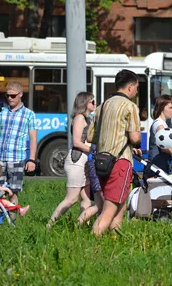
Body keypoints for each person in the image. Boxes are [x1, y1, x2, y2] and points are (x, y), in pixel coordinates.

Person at [88, 69, 142, 235]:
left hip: (102, 162)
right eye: (137, 88)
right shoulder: (130, 107)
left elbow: (91, 137)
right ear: (131, 87)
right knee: (109, 210)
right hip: (120, 162)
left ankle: (114, 242)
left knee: (120, 206)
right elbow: (135, 138)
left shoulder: (102, 106)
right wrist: (136, 140)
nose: (137, 91)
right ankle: (89, 246)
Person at [47, 92, 95, 228]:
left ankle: (82, 226)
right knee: (72, 198)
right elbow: (76, 142)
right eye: (93, 102)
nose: (94, 104)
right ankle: (50, 225)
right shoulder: (79, 118)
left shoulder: (88, 118)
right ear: (85, 103)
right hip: (76, 162)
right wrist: (93, 150)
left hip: (84, 162)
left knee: (86, 198)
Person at [0, 82, 37, 205]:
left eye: (13, 96)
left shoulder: (29, 114)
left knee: (13, 192)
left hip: (17, 158)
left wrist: (31, 160)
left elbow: (33, 139)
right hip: (0, 158)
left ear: (20, 94)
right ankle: (0, 220)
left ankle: (13, 222)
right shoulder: (1, 111)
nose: (10, 98)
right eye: (7, 95)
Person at [77, 143, 104, 226]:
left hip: (95, 169)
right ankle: (78, 224)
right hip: (100, 170)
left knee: (99, 204)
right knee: (102, 204)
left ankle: (78, 225)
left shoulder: (94, 140)